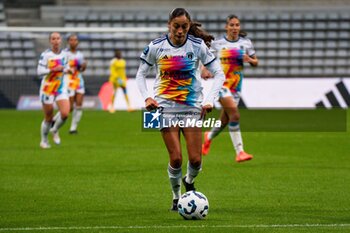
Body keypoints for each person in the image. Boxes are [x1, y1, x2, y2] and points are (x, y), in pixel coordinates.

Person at [136, 8, 225, 211]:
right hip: (163, 107)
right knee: (176, 157)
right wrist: (147, 97)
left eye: (184, 26)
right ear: (169, 25)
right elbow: (140, 74)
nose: (180, 31)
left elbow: (219, 73)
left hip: (192, 107)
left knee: (195, 159)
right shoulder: (156, 47)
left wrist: (209, 100)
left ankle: (189, 181)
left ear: (188, 26)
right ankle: (176, 197)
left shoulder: (197, 45)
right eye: (176, 26)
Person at [202, 14, 259, 162]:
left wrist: (250, 60)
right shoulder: (218, 43)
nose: (235, 28)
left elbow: (256, 62)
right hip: (221, 85)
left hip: (236, 86)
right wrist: (204, 69)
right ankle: (240, 151)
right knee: (235, 115)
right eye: (232, 25)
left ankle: (209, 136)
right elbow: (206, 57)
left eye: (237, 25)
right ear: (226, 27)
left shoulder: (246, 43)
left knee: (226, 120)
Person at [37, 32, 71, 148]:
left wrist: (68, 70)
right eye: (53, 39)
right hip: (48, 88)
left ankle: (55, 129)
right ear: (50, 41)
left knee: (65, 113)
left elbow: (66, 67)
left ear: (60, 40)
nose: (56, 41)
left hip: (60, 87)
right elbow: (39, 72)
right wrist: (53, 70)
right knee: (49, 117)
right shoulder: (46, 55)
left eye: (58, 38)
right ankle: (44, 140)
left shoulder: (65, 54)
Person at [64, 34, 87, 134]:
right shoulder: (64, 53)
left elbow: (81, 69)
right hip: (68, 81)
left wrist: (84, 66)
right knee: (69, 107)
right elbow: (62, 67)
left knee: (79, 105)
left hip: (78, 80)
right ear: (68, 42)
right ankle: (55, 121)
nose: (73, 42)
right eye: (71, 40)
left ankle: (73, 128)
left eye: (75, 40)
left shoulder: (80, 55)